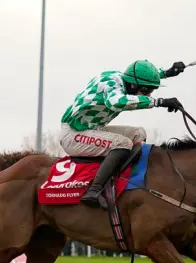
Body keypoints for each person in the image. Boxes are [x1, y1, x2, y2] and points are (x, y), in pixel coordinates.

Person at [58, 59, 187, 208]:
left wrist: (168, 73)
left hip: (93, 130)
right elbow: (116, 102)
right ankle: (94, 190)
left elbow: (143, 76)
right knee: (123, 143)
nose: (149, 94)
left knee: (138, 133)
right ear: (132, 84)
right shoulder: (112, 86)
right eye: (146, 91)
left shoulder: (124, 78)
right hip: (73, 135)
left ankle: (130, 183)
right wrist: (159, 102)